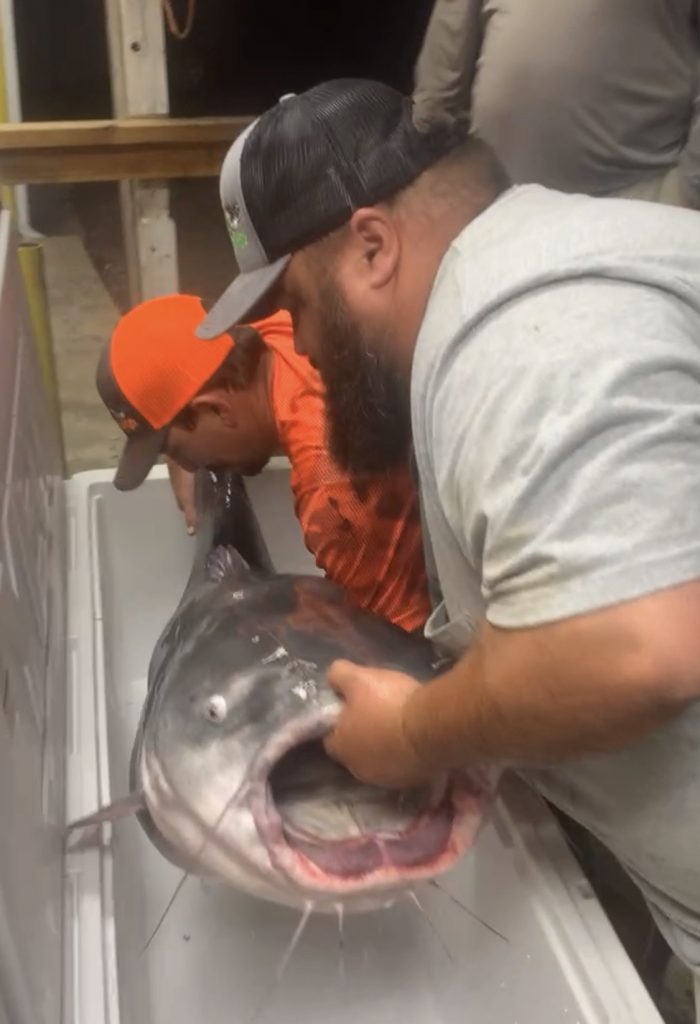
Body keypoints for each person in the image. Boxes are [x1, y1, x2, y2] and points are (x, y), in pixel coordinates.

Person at [195, 79, 700, 1005]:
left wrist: (414, 736)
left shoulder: (519, 336)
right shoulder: (538, 264)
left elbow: (638, 651)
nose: (299, 345)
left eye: (298, 305)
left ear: (373, 245)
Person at [94, 292, 430, 633]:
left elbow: (399, 647)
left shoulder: (332, 489)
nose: (190, 467)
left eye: (176, 449)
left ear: (217, 409)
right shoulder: (283, 318)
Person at [412, 0, 700, 207]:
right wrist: (431, 151)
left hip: (628, 207)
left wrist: (684, 198)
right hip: (489, 200)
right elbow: (441, 80)